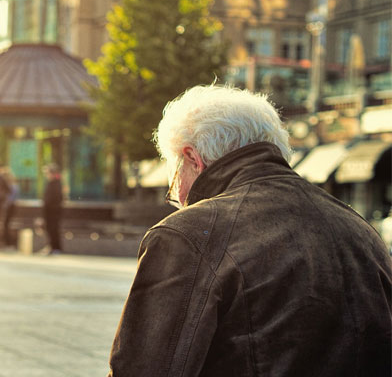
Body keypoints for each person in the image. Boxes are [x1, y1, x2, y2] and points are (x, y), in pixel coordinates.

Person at [107, 85, 392, 376]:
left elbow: (144, 370)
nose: (178, 199)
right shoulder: (361, 230)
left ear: (192, 158)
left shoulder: (188, 235)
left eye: (173, 182)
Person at [41, 164, 63, 255]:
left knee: (53, 229)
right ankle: (51, 247)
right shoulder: (52, 183)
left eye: (48, 173)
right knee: (50, 229)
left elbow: (55, 198)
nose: (47, 175)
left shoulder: (56, 184)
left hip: (53, 211)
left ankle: (55, 247)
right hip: (49, 210)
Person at [1, 168, 19, 249]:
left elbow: (10, 198)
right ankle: (7, 242)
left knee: (6, 224)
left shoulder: (11, 186)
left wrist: (4, 205)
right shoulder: (13, 185)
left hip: (9, 207)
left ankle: (8, 242)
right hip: (10, 206)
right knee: (6, 224)